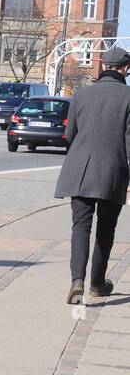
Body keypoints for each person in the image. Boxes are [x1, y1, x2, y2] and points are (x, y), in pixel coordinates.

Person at [54, 46, 130, 304]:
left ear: (103, 66)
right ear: (126, 69)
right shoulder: (128, 96)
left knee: (81, 226)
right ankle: (97, 283)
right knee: (106, 227)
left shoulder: (81, 94)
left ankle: (77, 280)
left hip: (79, 169)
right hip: (113, 171)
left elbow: (69, 135)